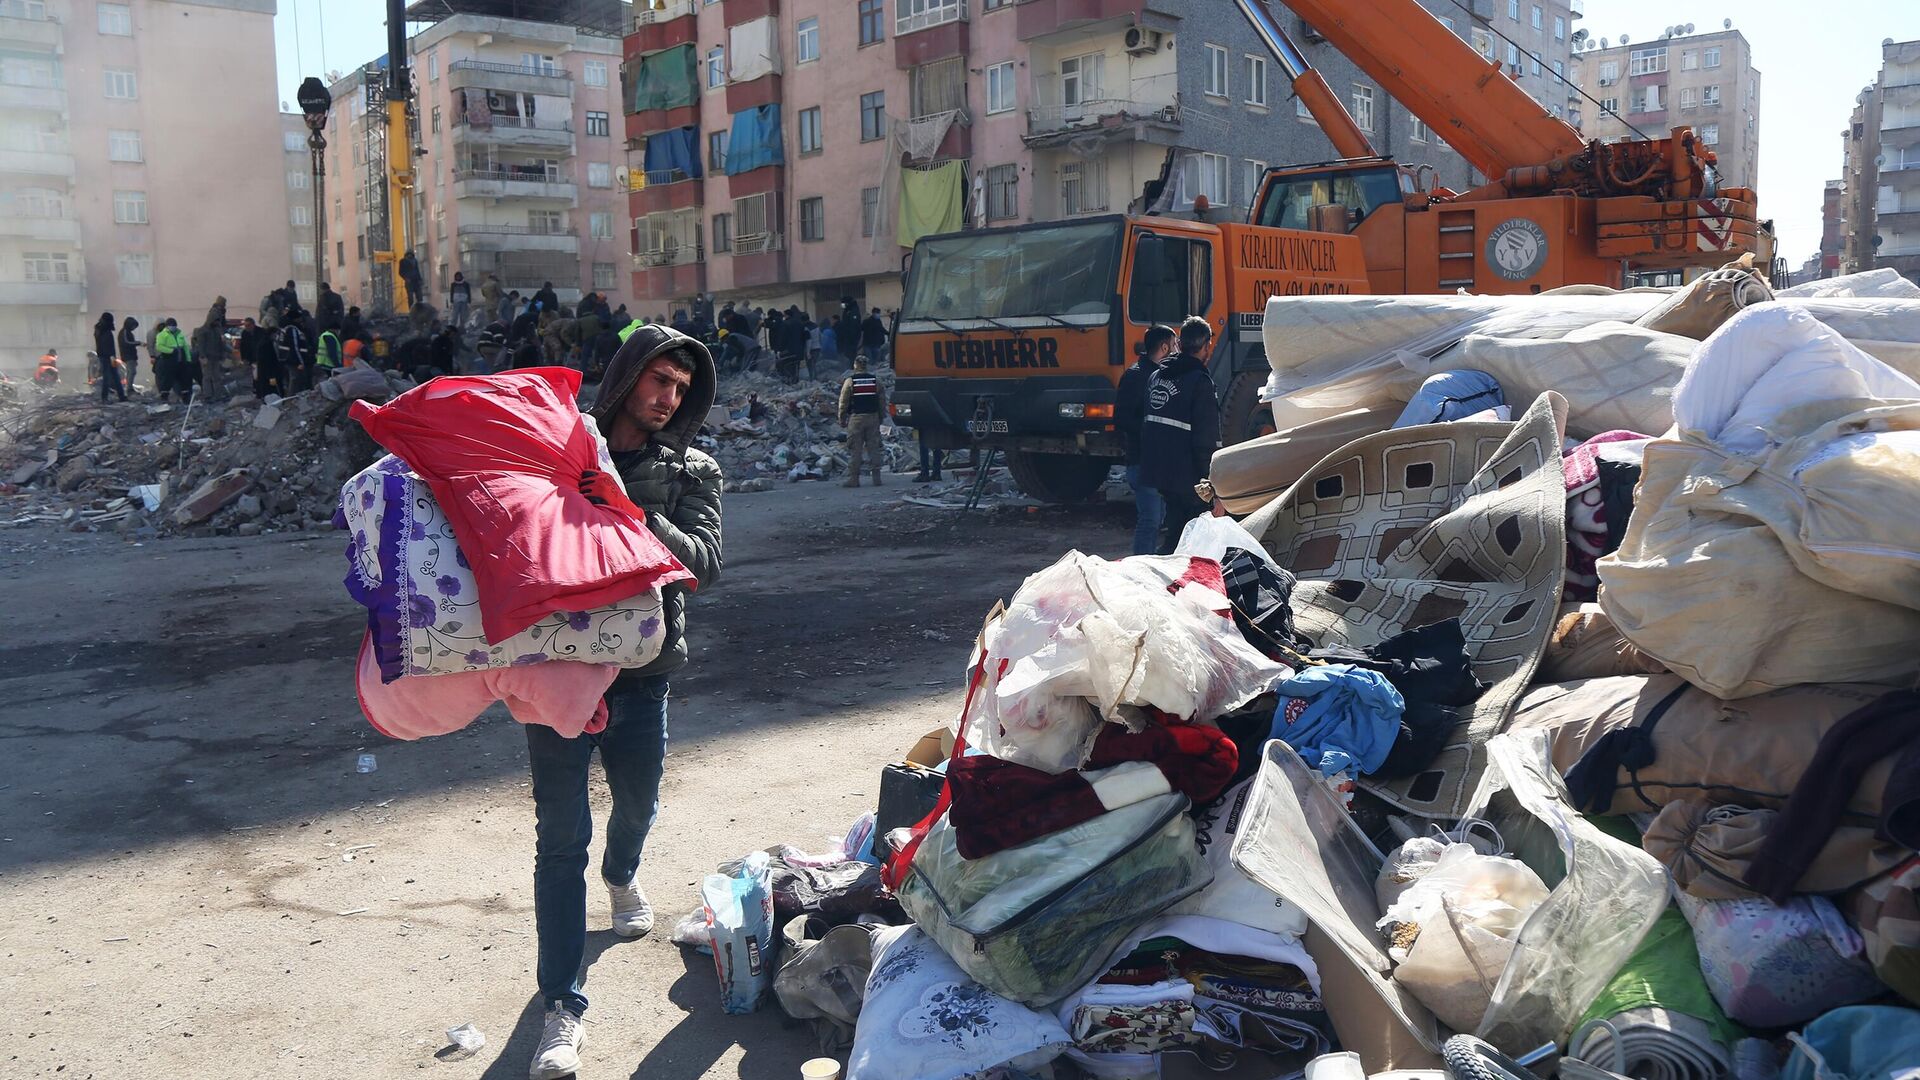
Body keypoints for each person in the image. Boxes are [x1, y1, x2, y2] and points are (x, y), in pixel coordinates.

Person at [521, 325, 722, 1080]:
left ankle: (623, 873)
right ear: (628, 377)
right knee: (557, 842)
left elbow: (705, 563)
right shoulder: (562, 451)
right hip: (557, 672)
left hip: (642, 677)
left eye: (680, 387)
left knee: (637, 806)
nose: (668, 399)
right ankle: (561, 1011)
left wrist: (630, 508)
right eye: (658, 381)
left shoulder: (695, 468)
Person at [1138, 316, 1220, 554]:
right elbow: (1207, 440)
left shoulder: (1157, 376)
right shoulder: (1200, 382)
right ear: (1205, 346)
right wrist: (1213, 484)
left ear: (1181, 344)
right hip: (1189, 481)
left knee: (1175, 534)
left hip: (1160, 475)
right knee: (1191, 544)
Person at [1115, 323, 1176, 556]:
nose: (1177, 349)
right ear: (1163, 347)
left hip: (1157, 462)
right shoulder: (1137, 375)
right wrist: (1151, 431)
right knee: (1150, 520)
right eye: (1174, 345)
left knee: (1157, 519)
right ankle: (1140, 570)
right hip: (1142, 461)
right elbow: (1121, 418)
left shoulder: (1160, 374)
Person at [837, 356, 888, 487]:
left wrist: (842, 418)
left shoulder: (850, 381)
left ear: (855, 365)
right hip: (873, 417)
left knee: (855, 449)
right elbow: (882, 401)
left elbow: (843, 402)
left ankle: (854, 479)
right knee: (874, 447)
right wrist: (881, 417)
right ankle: (877, 478)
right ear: (866, 365)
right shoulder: (875, 381)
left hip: (856, 419)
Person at [153, 319, 193, 403]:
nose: (173, 327)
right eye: (171, 325)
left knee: (184, 378)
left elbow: (185, 347)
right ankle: (164, 397)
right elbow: (159, 346)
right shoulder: (162, 335)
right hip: (169, 359)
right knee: (167, 379)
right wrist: (170, 351)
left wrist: (188, 358)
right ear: (167, 326)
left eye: (174, 325)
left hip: (181, 359)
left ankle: (185, 398)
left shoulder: (179, 333)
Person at [93, 314, 127, 403]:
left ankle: (118, 396)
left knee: (112, 376)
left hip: (103, 356)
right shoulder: (106, 332)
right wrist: (112, 357)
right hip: (108, 357)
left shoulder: (99, 330)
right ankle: (111, 397)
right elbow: (108, 345)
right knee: (111, 377)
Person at [274, 318, 311, 394]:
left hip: (284, 360)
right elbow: (296, 347)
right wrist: (301, 362)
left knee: (289, 381)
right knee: (295, 380)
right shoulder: (292, 330)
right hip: (293, 361)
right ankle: (291, 399)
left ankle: (289, 397)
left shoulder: (281, 332)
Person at [118, 316, 142, 393]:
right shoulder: (124, 332)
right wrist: (138, 343)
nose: (134, 328)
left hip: (130, 355)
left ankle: (129, 387)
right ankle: (129, 388)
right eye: (133, 326)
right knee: (131, 371)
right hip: (128, 355)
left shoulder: (127, 332)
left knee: (131, 371)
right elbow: (126, 343)